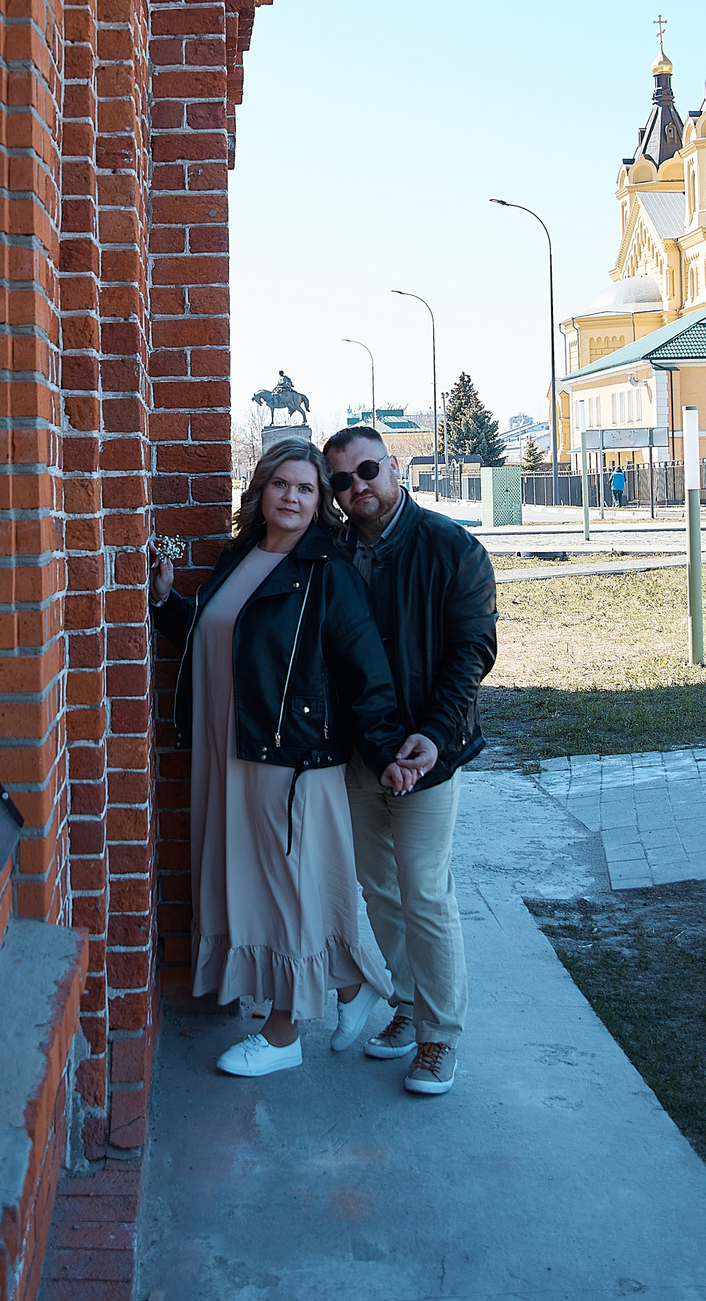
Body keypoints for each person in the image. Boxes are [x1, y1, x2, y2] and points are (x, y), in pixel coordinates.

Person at [149, 439, 400, 1077]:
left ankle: (285, 1034)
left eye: (306, 488)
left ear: (321, 502)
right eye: (281, 484)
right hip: (226, 746)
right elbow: (218, 635)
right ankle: (348, 986)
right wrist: (165, 601)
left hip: (286, 754)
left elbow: (364, 668)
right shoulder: (241, 557)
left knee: (284, 890)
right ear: (261, 491)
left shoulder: (327, 568)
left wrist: (388, 750)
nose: (292, 497)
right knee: (268, 885)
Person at [320, 426, 498, 1096]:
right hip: (360, 753)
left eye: (367, 469)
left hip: (430, 752)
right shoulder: (332, 550)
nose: (356, 486)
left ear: (393, 466)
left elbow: (471, 651)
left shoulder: (451, 547)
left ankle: (440, 1036)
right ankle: (405, 1003)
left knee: (423, 889)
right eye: (341, 480)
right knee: (379, 888)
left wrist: (434, 733)